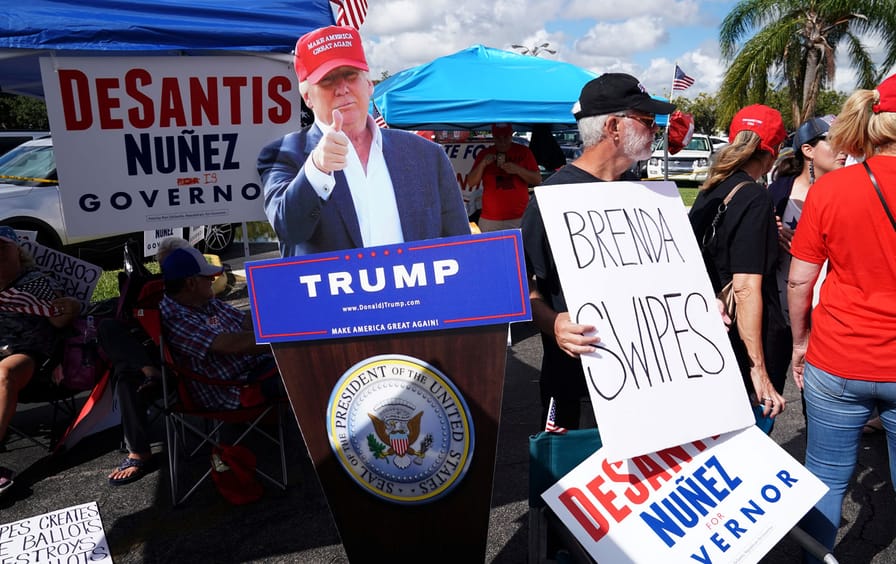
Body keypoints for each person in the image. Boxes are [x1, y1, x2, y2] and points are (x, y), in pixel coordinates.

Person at [521, 73, 675, 429]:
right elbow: (523, 290)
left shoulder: (643, 194)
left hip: (645, 380)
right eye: (648, 122)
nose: (656, 131)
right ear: (613, 127)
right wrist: (555, 322)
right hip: (574, 383)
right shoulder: (551, 199)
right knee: (570, 480)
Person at [788, 74, 896, 560]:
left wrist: (799, 343)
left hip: (835, 357)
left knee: (826, 479)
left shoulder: (831, 190)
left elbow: (799, 280)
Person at [258, 25, 470, 258]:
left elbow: (459, 245)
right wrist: (317, 168)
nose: (342, 89)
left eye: (351, 75)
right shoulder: (283, 155)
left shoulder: (428, 155)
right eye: (327, 80)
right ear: (307, 96)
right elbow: (289, 230)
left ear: (369, 84)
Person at [688, 104, 788, 423]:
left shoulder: (711, 188)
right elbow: (745, 287)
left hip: (709, 321)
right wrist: (758, 369)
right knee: (752, 431)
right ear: (772, 153)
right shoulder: (755, 197)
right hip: (744, 334)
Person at [101, 236, 192, 486]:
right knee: (110, 331)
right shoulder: (149, 289)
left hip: (183, 363)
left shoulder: (195, 288)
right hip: (153, 356)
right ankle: (147, 370)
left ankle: (138, 452)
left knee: (126, 375)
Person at [765, 116, 846, 393]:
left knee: (818, 397)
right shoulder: (777, 191)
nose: (844, 148)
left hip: (827, 317)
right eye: (834, 141)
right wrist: (770, 234)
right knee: (768, 391)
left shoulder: (848, 191)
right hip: (777, 310)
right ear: (808, 150)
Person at [0, 226, 80, 496]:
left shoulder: (36, 281)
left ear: (18, 252)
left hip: (27, 356)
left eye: (2, 247)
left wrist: (71, 307)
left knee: (4, 373)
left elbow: (59, 317)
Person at [159, 247, 283, 411]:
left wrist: (284, 321)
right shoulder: (175, 317)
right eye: (209, 277)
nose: (213, 280)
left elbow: (245, 320)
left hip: (255, 369)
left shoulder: (202, 299)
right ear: (191, 283)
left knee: (303, 358)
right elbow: (232, 345)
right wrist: (285, 338)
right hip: (233, 389)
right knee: (306, 370)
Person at [465, 123, 542, 232]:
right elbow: (471, 182)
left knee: (521, 248)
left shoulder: (524, 152)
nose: (502, 141)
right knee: (491, 249)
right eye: (498, 138)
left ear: (511, 135)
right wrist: (483, 164)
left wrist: (518, 170)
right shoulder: (485, 154)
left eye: (505, 137)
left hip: (519, 217)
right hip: (490, 219)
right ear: (493, 136)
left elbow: (538, 180)